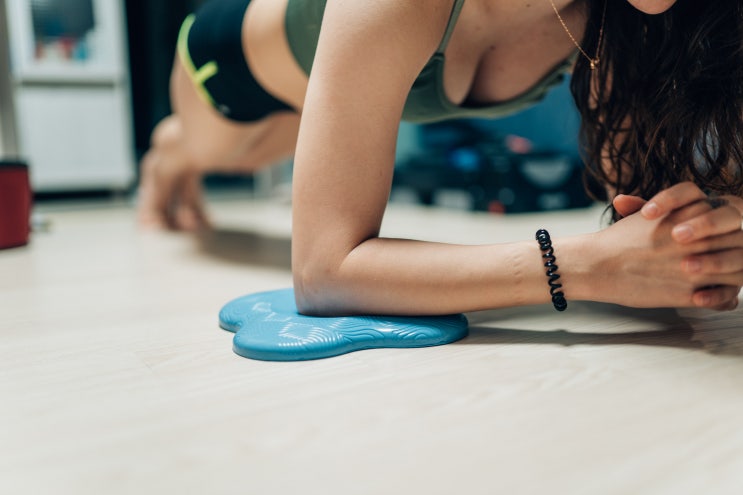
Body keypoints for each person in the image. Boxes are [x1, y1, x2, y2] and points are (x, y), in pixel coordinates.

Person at [137, 0, 743, 316]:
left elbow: (635, 196)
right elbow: (320, 275)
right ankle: (166, 156)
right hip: (232, 70)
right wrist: (584, 266)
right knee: (215, 152)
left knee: (301, 137)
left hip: (353, 80)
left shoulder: (623, 20)